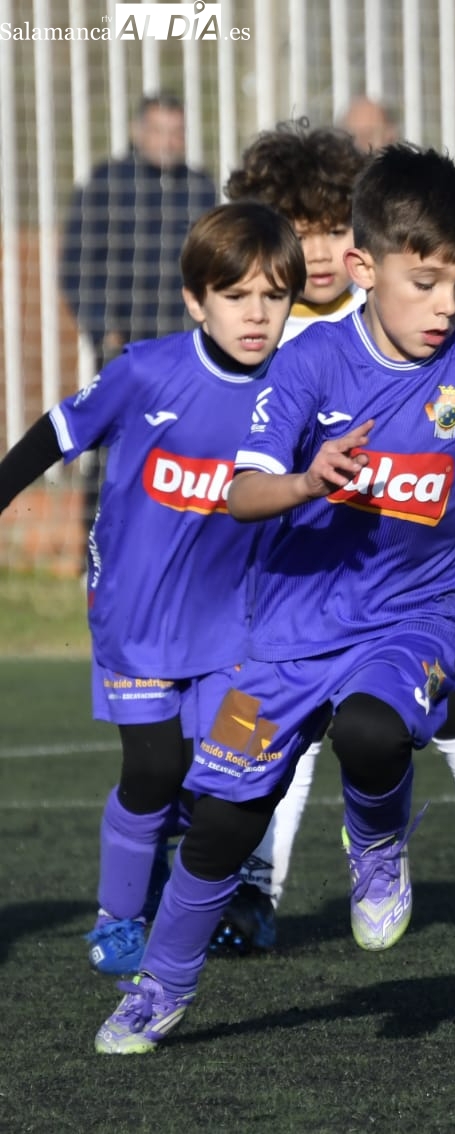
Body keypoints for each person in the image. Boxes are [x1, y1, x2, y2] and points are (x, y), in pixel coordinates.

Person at [93, 145, 455, 1054]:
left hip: (422, 620)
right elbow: (240, 490)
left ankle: (377, 852)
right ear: (365, 269)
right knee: (217, 825)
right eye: (427, 281)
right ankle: (159, 989)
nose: (448, 305)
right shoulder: (306, 367)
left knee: (373, 731)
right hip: (287, 636)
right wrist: (303, 483)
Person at [217, 122, 455, 954]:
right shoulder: (264, 334)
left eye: (338, 228)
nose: (326, 249)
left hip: (410, 579)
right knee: (264, 734)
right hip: (299, 581)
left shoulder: (403, 320)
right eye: (302, 234)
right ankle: (248, 887)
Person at [0, 203, 302, 976]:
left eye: (274, 296)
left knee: (231, 771)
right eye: (236, 296)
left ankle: (210, 890)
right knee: (154, 770)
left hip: (239, 621)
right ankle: (117, 919)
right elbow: (59, 432)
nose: (257, 314)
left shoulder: (297, 387)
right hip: (136, 616)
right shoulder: (146, 371)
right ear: (197, 301)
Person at [59, 92, 219, 571]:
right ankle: (97, 559)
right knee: (110, 448)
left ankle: (181, 558)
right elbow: (75, 265)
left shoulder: (200, 188)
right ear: (137, 131)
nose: (169, 140)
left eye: (177, 130)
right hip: (123, 345)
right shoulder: (106, 185)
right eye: (160, 129)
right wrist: (100, 326)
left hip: (186, 344)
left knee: (189, 446)